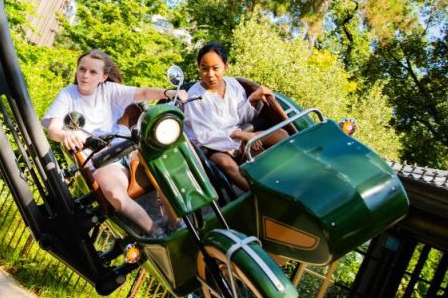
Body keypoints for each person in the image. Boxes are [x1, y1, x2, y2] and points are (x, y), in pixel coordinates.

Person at [42, 49, 186, 236]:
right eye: (82, 69)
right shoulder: (67, 95)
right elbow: (53, 129)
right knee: (115, 195)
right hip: (102, 159)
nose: (85, 75)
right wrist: (65, 136)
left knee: (164, 162)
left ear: (103, 77)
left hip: (129, 146)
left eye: (93, 72)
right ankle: (156, 233)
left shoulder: (109, 90)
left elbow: (143, 92)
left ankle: (177, 222)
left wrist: (169, 92)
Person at [183, 43, 288, 190]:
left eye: (215, 68)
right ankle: (259, 193)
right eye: (204, 69)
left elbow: (243, 118)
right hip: (212, 146)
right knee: (226, 164)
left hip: (239, 136)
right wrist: (238, 134)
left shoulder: (233, 85)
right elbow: (203, 136)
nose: (210, 74)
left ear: (226, 67)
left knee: (281, 134)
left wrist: (252, 99)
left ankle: (287, 174)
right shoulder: (194, 96)